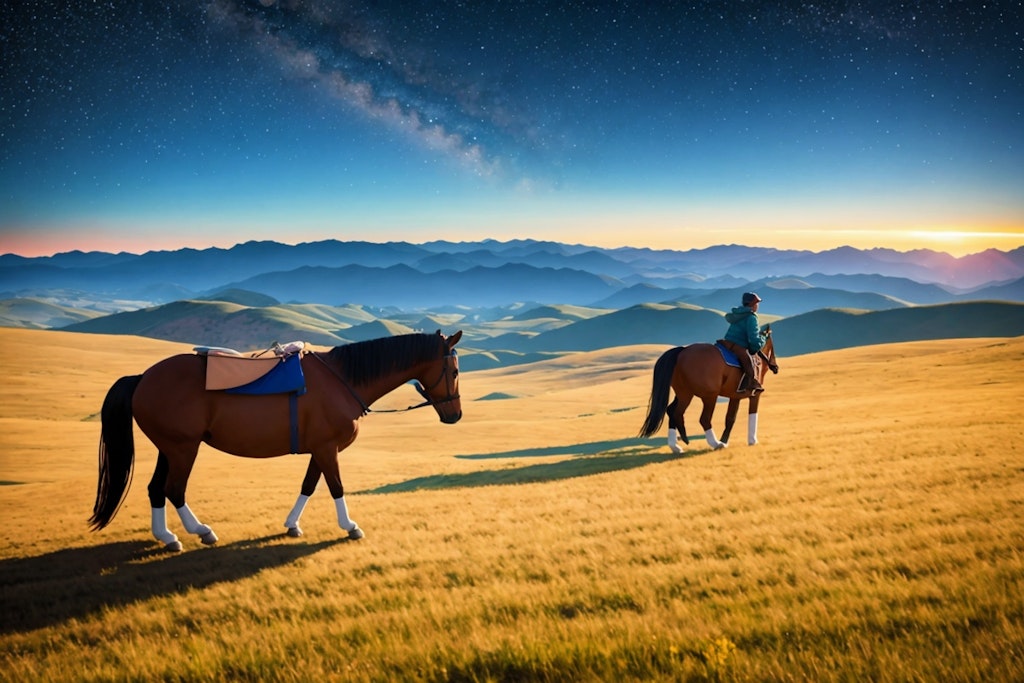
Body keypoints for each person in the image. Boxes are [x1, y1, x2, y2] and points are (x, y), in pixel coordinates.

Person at [719, 292, 766, 394]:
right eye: (757, 303)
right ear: (753, 304)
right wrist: (763, 339)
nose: (758, 306)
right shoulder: (751, 317)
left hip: (726, 343)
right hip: (738, 346)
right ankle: (752, 383)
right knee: (749, 363)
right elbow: (753, 340)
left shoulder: (737, 314)